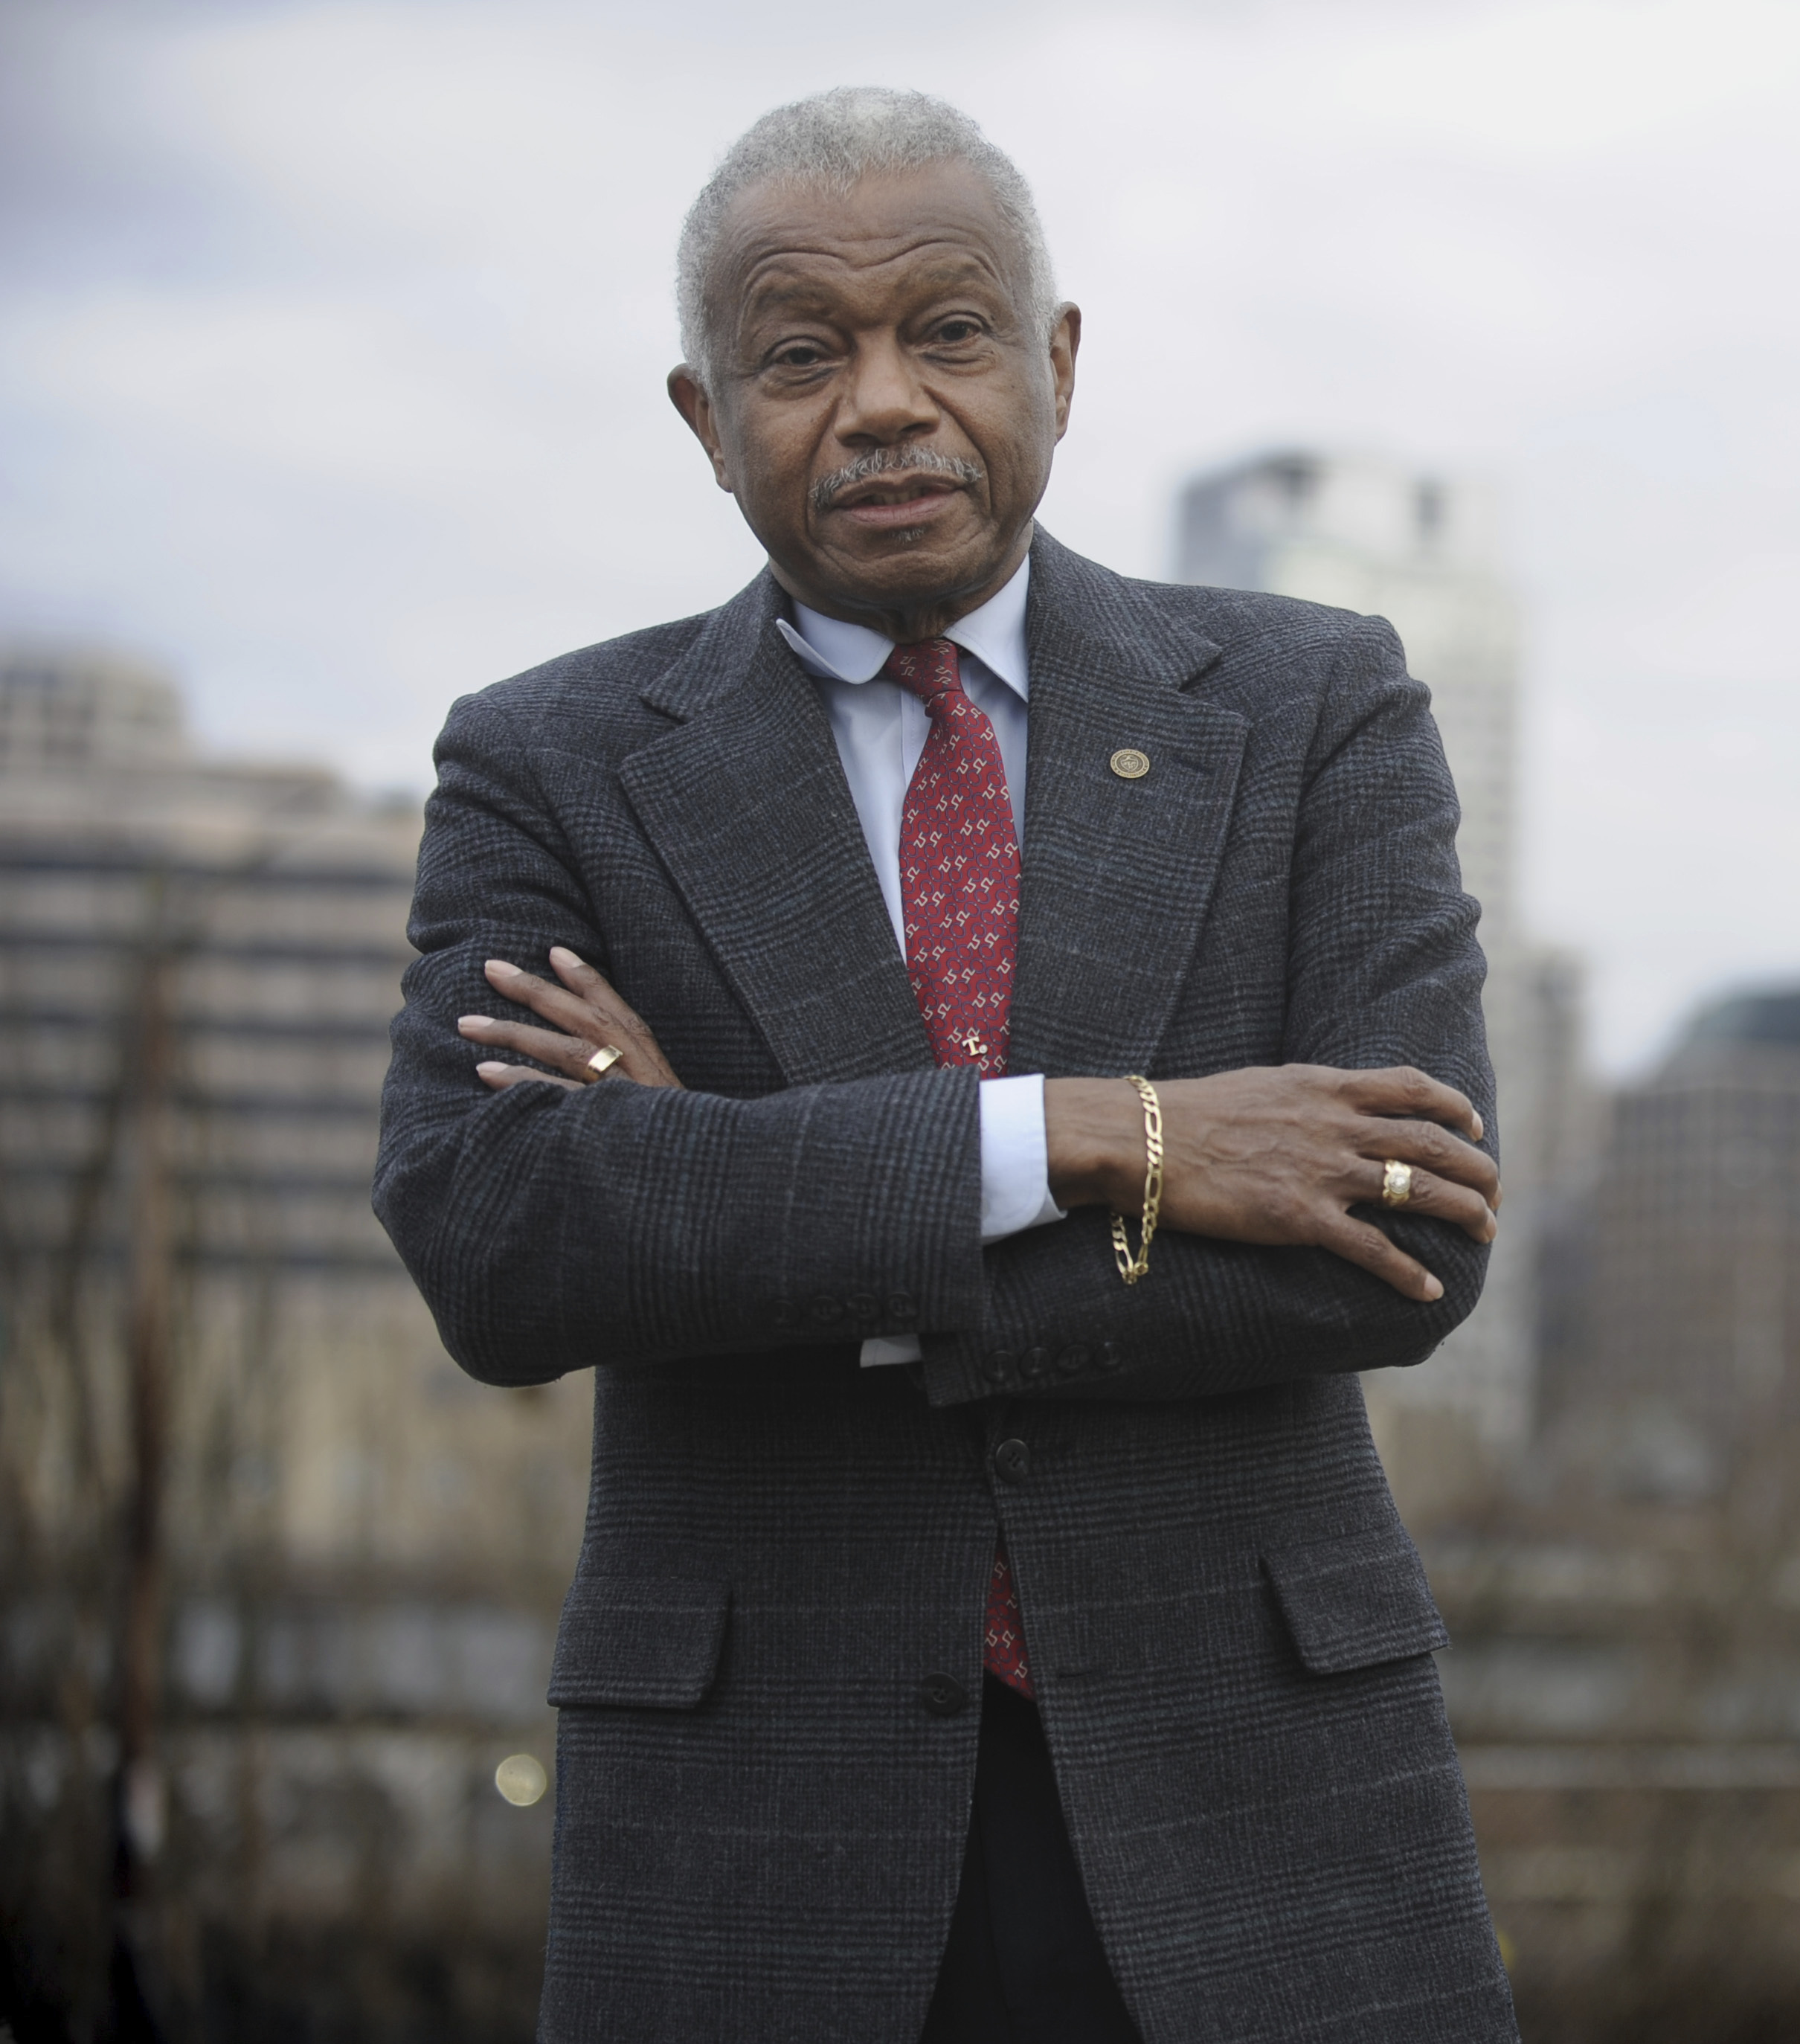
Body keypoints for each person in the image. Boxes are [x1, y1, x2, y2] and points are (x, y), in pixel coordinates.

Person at [373, 86, 1517, 2044]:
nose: (885, 400)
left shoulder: (1315, 708)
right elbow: (505, 1244)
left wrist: (731, 1180)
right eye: (803, 353)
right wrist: (1093, 1140)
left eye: (951, 331)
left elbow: (1396, 1235)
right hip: (750, 1833)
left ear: (1057, 365)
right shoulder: (549, 763)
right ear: (703, 413)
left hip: (1266, 1802)